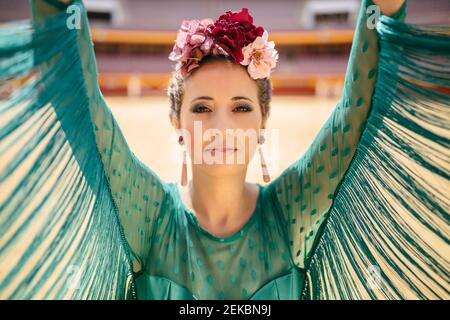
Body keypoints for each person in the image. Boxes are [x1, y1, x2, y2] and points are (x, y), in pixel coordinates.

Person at [1, 0, 448, 300]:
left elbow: (358, 111)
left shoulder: (291, 212)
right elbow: (85, 107)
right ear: (177, 123)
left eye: (240, 107)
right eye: (201, 108)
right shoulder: (151, 216)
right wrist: (60, 9)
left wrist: (381, 9)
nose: (220, 127)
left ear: (261, 122)